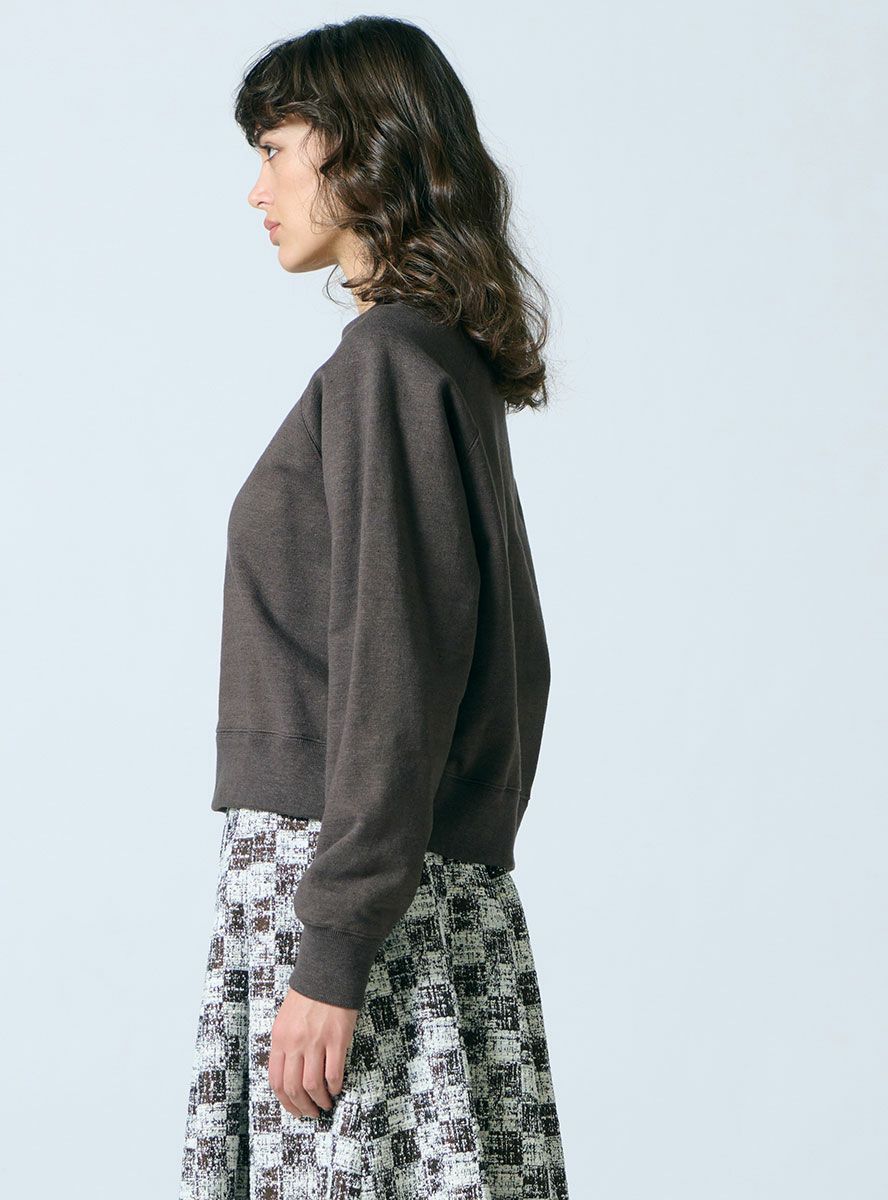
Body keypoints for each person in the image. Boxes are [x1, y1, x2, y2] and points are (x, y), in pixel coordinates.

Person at [179, 15, 570, 1199]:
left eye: (273, 150)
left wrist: (334, 950)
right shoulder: (433, 359)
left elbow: (396, 669)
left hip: (347, 886)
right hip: (403, 881)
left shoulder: (388, 366)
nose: (256, 190)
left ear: (360, 150)